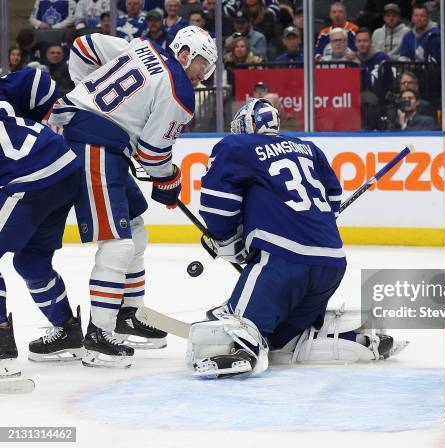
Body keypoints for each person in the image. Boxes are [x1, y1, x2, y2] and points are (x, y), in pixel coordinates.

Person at [187, 98, 402, 378]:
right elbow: (333, 198)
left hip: (282, 259)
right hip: (331, 262)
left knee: (236, 325)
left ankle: (244, 351)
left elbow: (217, 204)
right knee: (283, 343)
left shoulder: (236, 146)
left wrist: (226, 240)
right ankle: (356, 341)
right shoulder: (308, 147)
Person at [49, 26, 217, 368]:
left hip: (98, 141)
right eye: (202, 63)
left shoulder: (142, 47)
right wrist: (169, 180)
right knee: (118, 243)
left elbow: (83, 46)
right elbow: (154, 153)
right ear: (184, 53)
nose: (204, 73)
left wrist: (87, 95)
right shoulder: (178, 89)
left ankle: (128, 314)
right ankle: (99, 333)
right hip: (93, 145)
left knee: (135, 232)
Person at [0, 68, 83, 377]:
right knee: (31, 262)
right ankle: (67, 331)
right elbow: (37, 80)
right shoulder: (7, 92)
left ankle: (1, 346)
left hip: (33, 175)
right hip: (63, 167)